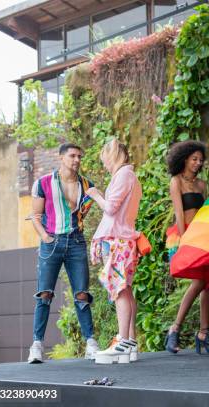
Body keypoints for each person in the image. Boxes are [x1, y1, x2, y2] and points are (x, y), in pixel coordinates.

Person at [28, 143, 99, 363]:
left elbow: (89, 212)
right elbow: (35, 215)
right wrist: (46, 238)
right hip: (51, 242)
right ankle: (37, 345)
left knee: (82, 294)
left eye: (79, 156)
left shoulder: (87, 185)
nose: (76, 160)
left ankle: (91, 343)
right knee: (45, 294)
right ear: (61, 157)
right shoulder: (43, 183)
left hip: (76, 242)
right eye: (72, 155)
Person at [164, 140, 209, 355]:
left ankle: (204, 333)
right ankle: (175, 329)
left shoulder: (201, 185)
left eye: (200, 160)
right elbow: (179, 213)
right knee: (199, 281)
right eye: (194, 159)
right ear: (185, 159)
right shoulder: (176, 181)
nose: (198, 163)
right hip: (187, 234)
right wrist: (185, 238)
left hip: (204, 235)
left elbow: (206, 212)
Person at [87, 139, 142, 364]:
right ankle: (129, 344)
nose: (105, 166)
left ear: (113, 156)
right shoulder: (129, 176)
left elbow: (110, 208)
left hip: (119, 241)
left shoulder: (123, 176)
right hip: (124, 240)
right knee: (125, 290)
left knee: (119, 291)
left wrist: (96, 194)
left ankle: (122, 342)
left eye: (105, 161)